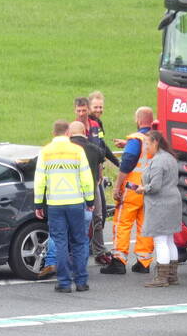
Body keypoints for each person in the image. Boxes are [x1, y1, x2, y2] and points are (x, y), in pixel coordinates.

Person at [34, 120, 95, 292]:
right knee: (79, 241)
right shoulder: (77, 150)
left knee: (60, 242)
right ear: (68, 133)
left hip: (55, 204)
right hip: (75, 202)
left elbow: (40, 180)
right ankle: (81, 281)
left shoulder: (45, 152)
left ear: (53, 133)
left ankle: (64, 283)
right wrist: (89, 200)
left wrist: (38, 203)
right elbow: (86, 177)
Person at [101, 106, 155, 275]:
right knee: (144, 225)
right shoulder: (155, 138)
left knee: (122, 223)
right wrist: (127, 144)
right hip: (149, 190)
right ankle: (143, 262)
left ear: (138, 120)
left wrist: (118, 186)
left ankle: (118, 260)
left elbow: (129, 160)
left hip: (132, 190)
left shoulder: (136, 139)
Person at [136, 130, 182, 287]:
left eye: (147, 144)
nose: (145, 147)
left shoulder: (158, 161)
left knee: (160, 240)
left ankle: (161, 278)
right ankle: (172, 276)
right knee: (169, 239)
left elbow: (155, 187)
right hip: (173, 201)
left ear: (155, 142)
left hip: (160, 204)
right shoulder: (170, 158)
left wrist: (143, 188)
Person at [87, 91, 119, 265]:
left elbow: (102, 146)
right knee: (97, 213)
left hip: (97, 172)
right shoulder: (88, 125)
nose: (99, 110)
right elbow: (95, 150)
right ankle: (97, 250)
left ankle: (96, 247)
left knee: (100, 212)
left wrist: (116, 162)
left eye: (101, 107)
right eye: (96, 107)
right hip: (91, 174)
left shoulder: (97, 123)